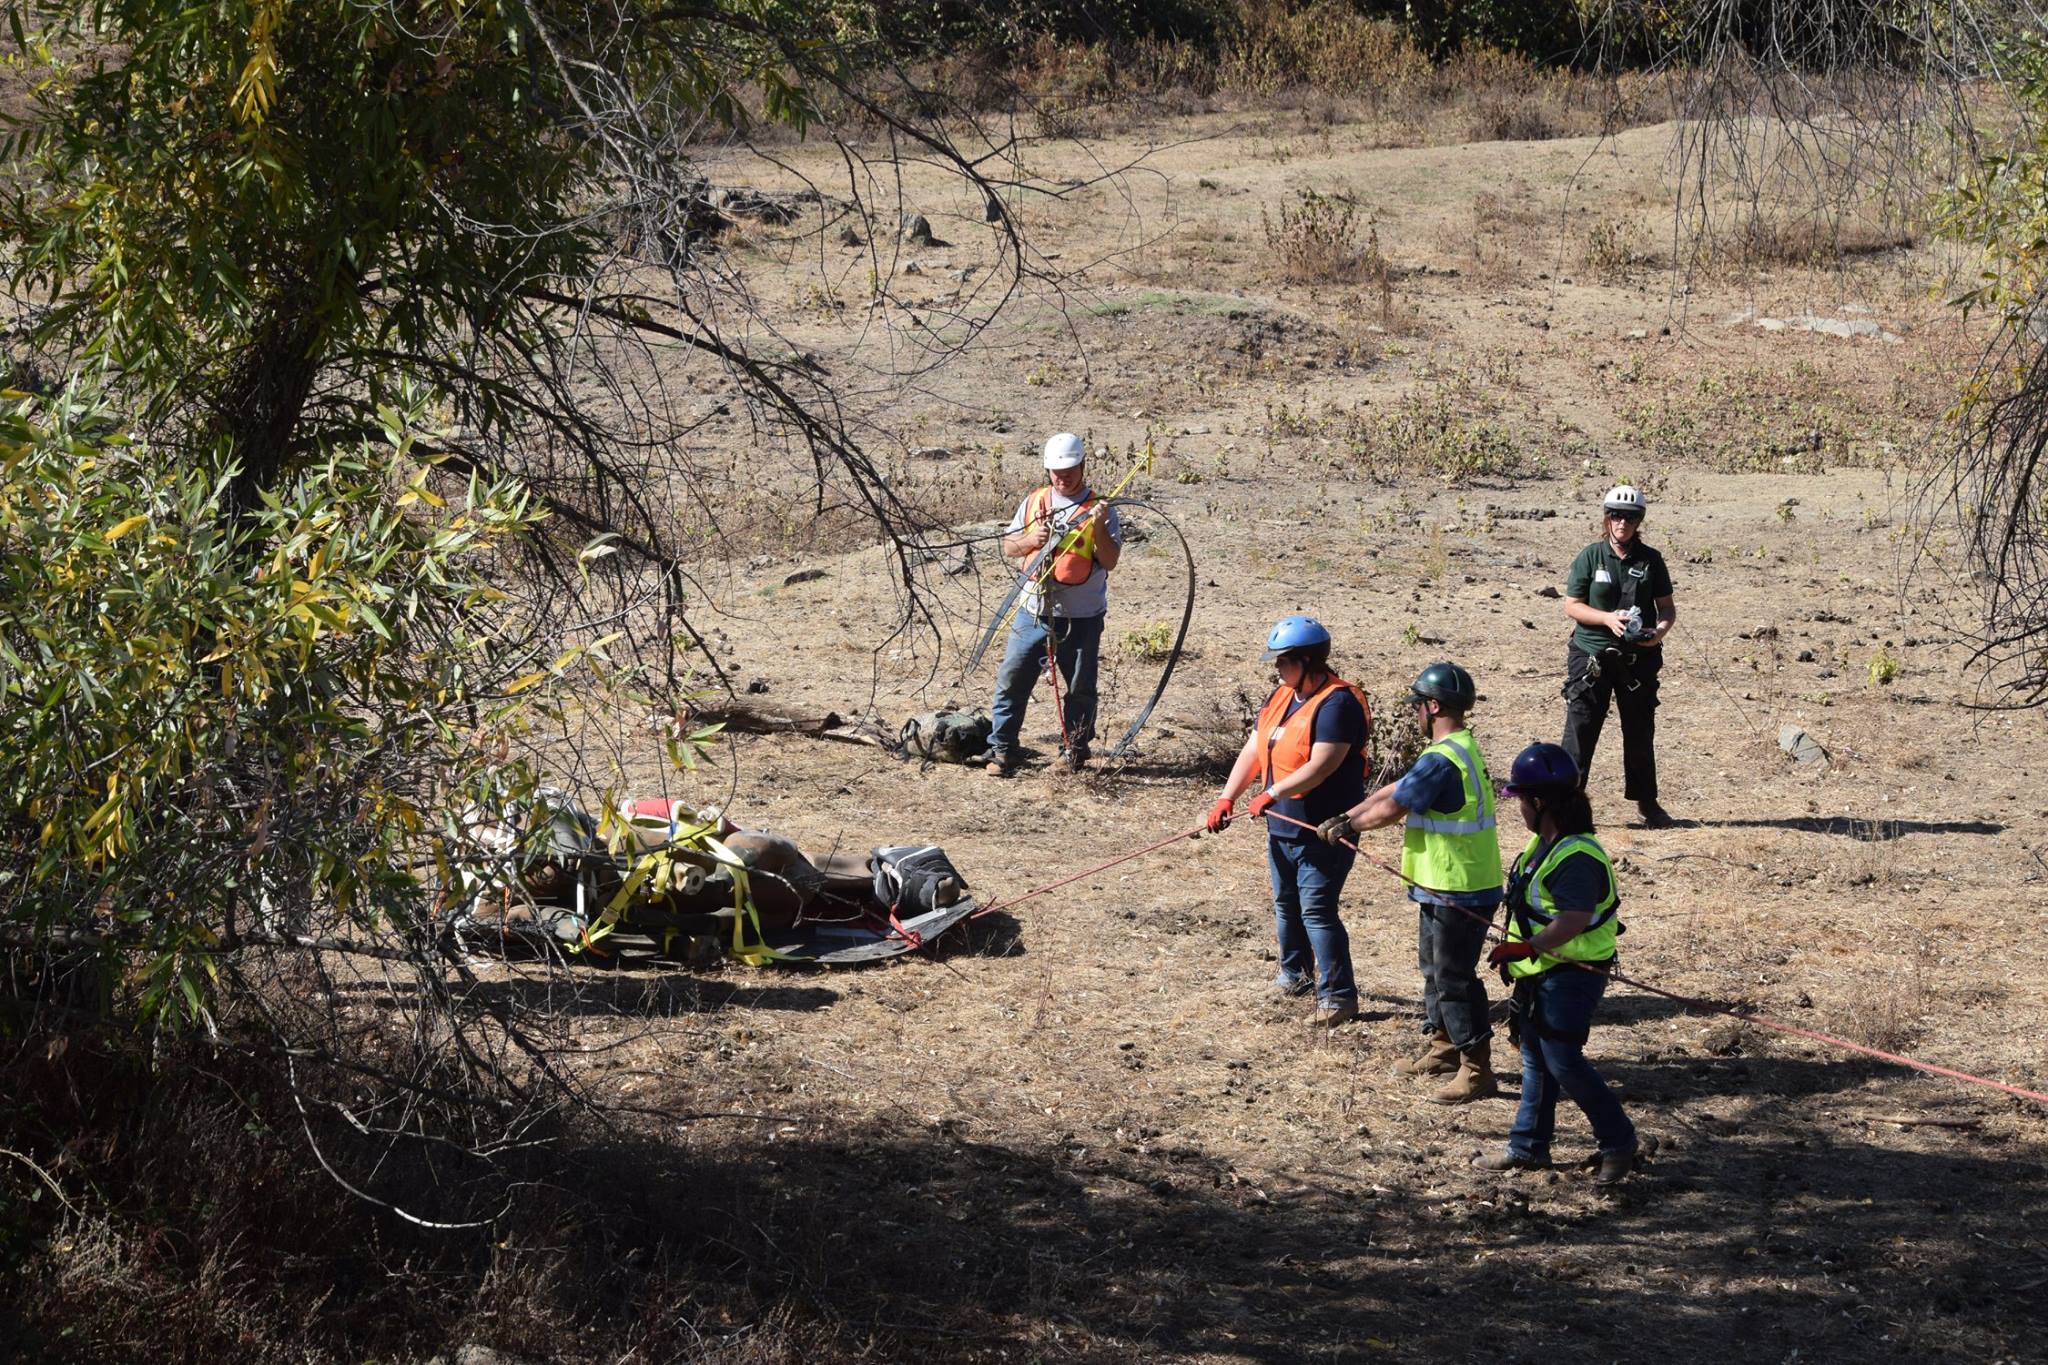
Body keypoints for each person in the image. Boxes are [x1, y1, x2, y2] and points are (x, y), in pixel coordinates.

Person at [1320, 662, 1504, 1104]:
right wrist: (1348, 816)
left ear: (1433, 706)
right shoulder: (1455, 748)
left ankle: (1476, 1069)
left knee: (1454, 977)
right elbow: (1394, 790)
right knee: (1434, 970)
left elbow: (1394, 807)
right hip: (1441, 883)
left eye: (1418, 706)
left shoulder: (1443, 759)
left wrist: (1350, 828)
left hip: (1458, 886)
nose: (1415, 714)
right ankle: (1443, 1049)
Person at [1474, 742, 1646, 1185]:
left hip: (1573, 974)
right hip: (1543, 973)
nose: (1519, 810)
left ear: (1539, 802)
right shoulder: (1545, 845)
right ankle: (1529, 1147)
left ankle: (1619, 1141)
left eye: (1521, 801)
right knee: (1536, 1058)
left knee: (1563, 1060)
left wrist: (1526, 948)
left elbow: (1573, 919)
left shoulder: (1577, 857)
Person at [1207, 616, 1370, 1027]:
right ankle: (1295, 975)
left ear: (1308, 660)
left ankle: (1338, 996)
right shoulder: (1281, 696)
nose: (1277, 669)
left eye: (1283, 662)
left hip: (1324, 831)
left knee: (1317, 910)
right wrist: (1229, 796)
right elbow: (1254, 750)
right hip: (1282, 827)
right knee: (1287, 905)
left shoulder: (1339, 703)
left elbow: (1322, 765)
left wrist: (1271, 793)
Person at [974, 433, 1123, 775]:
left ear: (1083, 466)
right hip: (1033, 612)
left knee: (1080, 687)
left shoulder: (1101, 508)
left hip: (1082, 615)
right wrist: (1031, 540)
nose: (1062, 477)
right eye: (1055, 470)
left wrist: (1098, 525)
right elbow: (1011, 546)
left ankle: (1073, 751)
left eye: (1069, 469)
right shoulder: (1034, 501)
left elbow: (1111, 560)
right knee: (1013, 678)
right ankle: (1002, 749)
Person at [1561, 484, 1679, 828]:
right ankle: (1568, 806)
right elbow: (1572, 605)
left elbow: (1667, 609)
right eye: (1615, 515)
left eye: (1629, 517)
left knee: (1640, 730)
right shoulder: (1590, 556)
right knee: (1580, 729)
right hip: (1591, 657)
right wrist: (1607, 619)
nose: (1622, 523)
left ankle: (1648, 804)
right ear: (1606, 518)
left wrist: (1657, 633)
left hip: (1637, 661)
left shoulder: (1651, 560)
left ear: (1638, 520)